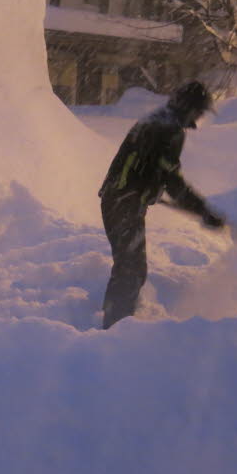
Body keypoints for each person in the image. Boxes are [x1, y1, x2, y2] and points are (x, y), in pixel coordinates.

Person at [98, 80, 226, 329]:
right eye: (199, 110)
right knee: (131, 269)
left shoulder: (159, 120)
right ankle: (114, 329)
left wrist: (149, 186)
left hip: (121, 200)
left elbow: (148, 166)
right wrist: (203, 211)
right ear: (189, 107)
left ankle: (113, 316)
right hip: (123, 202)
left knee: (130, 266)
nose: (200, 116)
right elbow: (172, 180)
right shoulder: (169, 129)